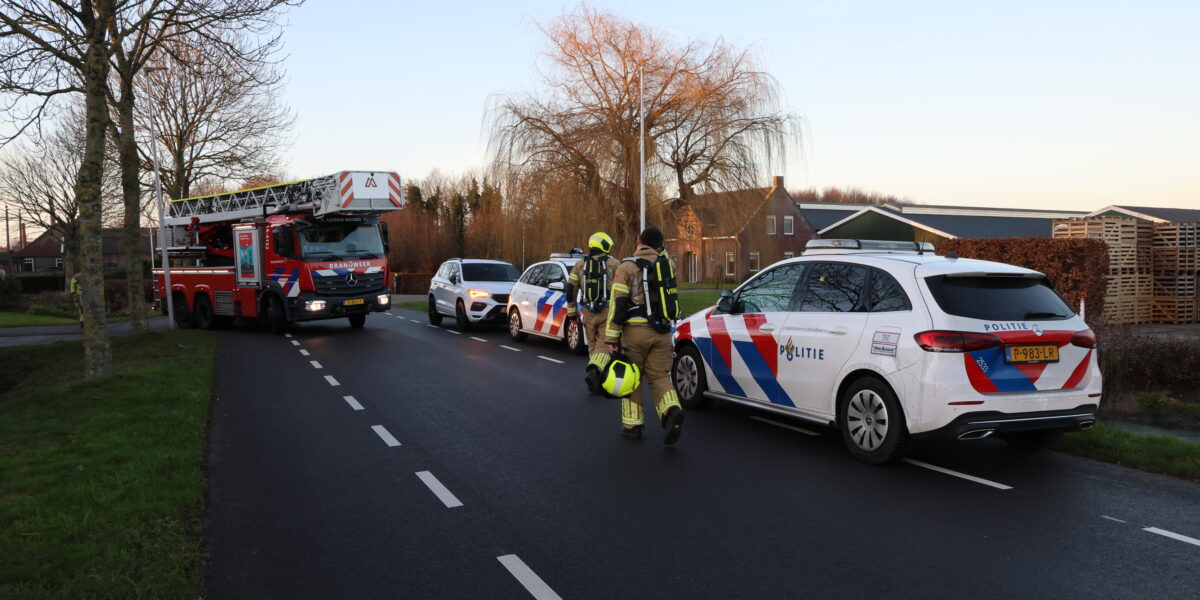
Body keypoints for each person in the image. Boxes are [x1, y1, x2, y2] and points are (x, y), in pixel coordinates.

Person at [603, 226, 684, 443]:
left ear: (638, 240)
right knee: (660, 376)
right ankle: (671, 410)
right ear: (660, 245)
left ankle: (632, 426)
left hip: (635, 334)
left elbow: (617, 306)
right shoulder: (669, 265)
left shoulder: (626, 267)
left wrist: (612, 338)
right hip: (663, 332)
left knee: (633, 379)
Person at [563, 232, 621, 394]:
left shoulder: (580, 264)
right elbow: (623, 289)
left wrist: (572, 314)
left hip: (587, 311)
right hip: (607, 310)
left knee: (593, 345)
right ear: (605, 245)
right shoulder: (614, 264)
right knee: (604, 343)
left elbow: (570, 289)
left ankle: (594, 380)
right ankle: (595, 371)